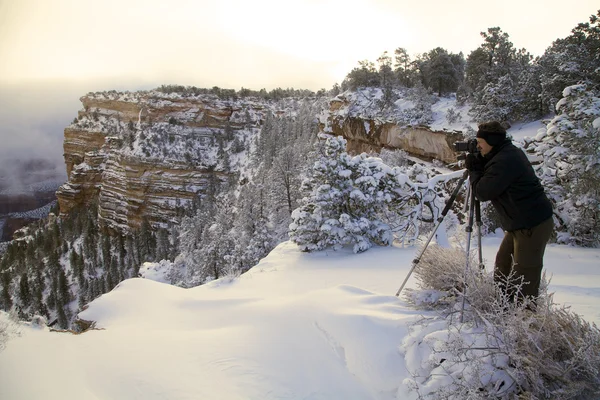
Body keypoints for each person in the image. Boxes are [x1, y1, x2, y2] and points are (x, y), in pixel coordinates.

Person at [465, 121, 554, 306]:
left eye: (480, 142)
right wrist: (480, 162)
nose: (478, 146)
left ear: (492, 141)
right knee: (503, 267)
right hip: (517, 224)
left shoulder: (506, 160)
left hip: (531, 225)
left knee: (524, 276)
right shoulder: (502, 153)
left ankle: (524, 322)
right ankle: (503, 309)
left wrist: (474, 170)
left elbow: (482, 192)